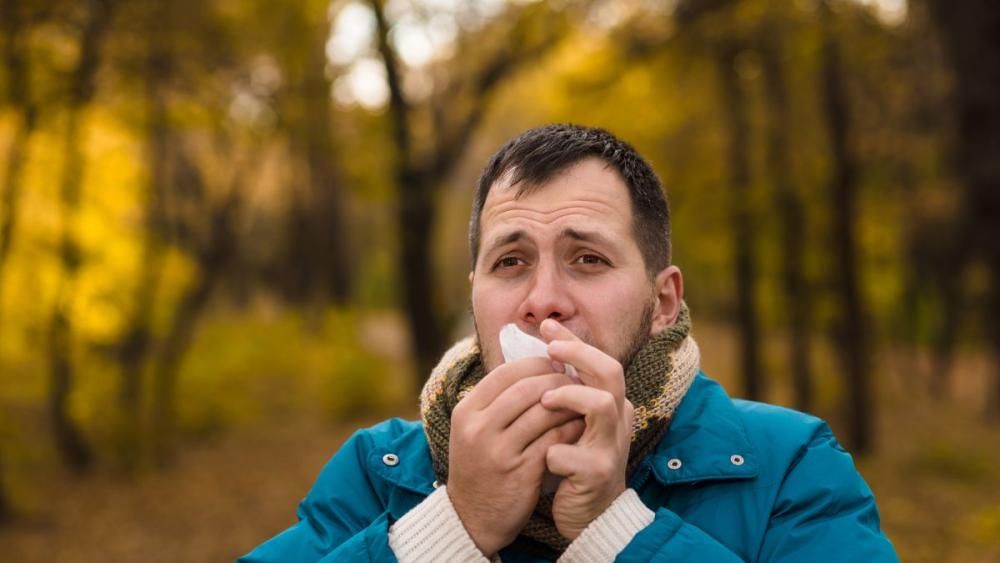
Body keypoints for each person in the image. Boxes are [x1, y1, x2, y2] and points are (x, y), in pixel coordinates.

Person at [239, 124, 898, 562]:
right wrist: (450, 530)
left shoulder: (787, 464)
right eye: (510, 261)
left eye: (586, 258)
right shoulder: (377, 471)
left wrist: (617, 528)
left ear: (662, 302)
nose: (543, 296)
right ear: (476, 296)